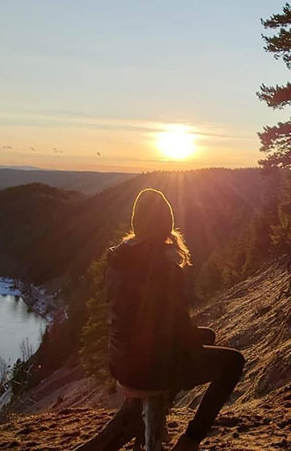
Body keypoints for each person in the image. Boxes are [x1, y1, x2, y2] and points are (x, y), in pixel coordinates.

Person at [105, 188, 245, 451]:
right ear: (166, 225)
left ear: (137, 223)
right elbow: (180, 330)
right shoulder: (164, 268)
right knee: (233, 362)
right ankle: (190, 441)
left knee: (206, 338)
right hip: (149, 367)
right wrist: (194, 344)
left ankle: (154, 418)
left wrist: (196, 340)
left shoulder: (117, 260)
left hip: (121, 359)